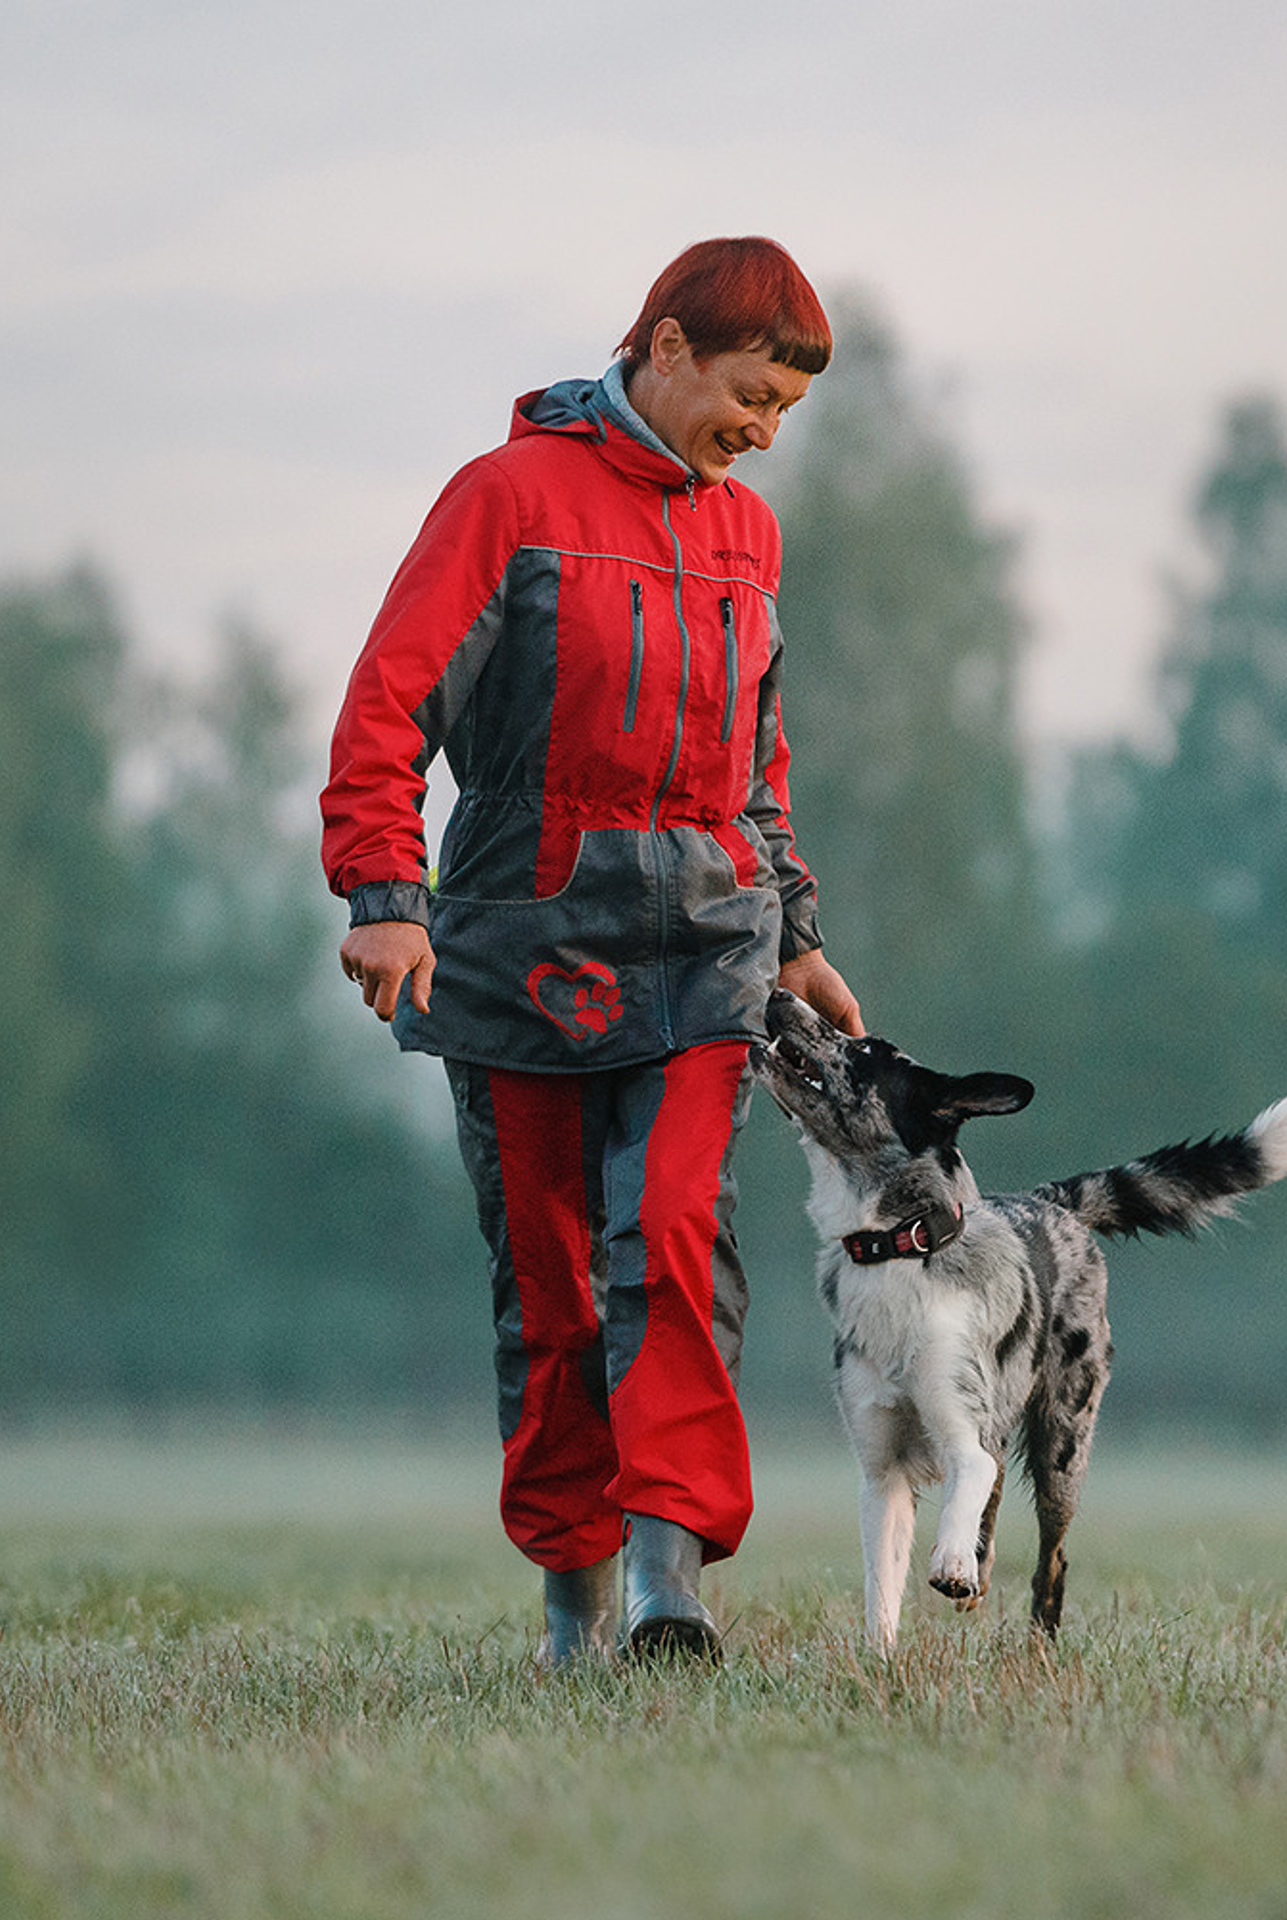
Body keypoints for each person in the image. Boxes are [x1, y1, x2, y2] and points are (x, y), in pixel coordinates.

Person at [319, 237, 862, 1666]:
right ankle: (572, 1589)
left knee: (676, 1231)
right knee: (554, 1280)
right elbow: (389, 708)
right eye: (750, 395)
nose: (762, 432)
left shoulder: (748, 535)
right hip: (521, 950)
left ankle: (667, 1579)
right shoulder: (505, 501)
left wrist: (794, 933)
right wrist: (385, 891)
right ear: (664, 348)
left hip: (706, 955)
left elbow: (761, 759)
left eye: (785, 416)